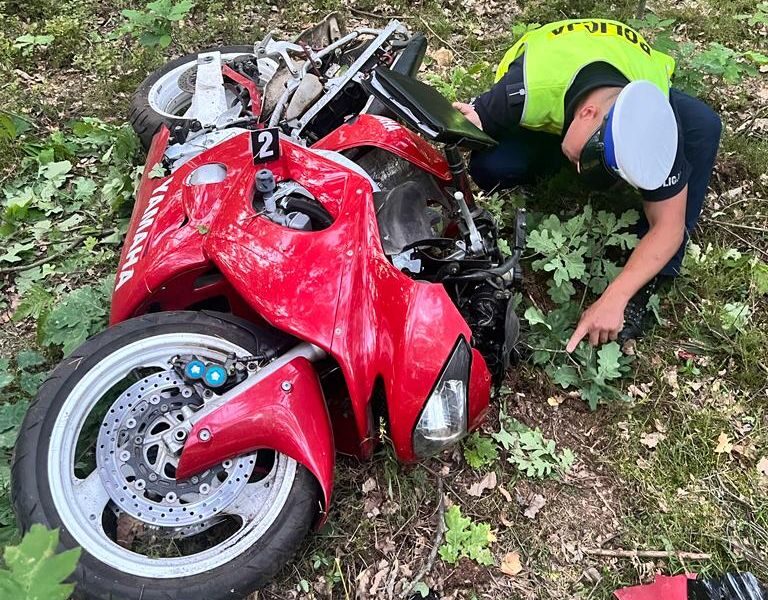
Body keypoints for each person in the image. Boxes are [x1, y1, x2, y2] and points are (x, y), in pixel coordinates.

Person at [452, 18, 722, 352]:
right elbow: (468, 125)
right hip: (554, 73)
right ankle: (558, 148)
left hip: (626, 68)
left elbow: (669, 226)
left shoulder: (656, 114)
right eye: (592, 159)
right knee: (491, 165)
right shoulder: (524, 89)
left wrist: (617, 296)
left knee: (704, 125)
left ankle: (651, 280)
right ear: (587, 113)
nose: (587, 175)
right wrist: (469, 125)